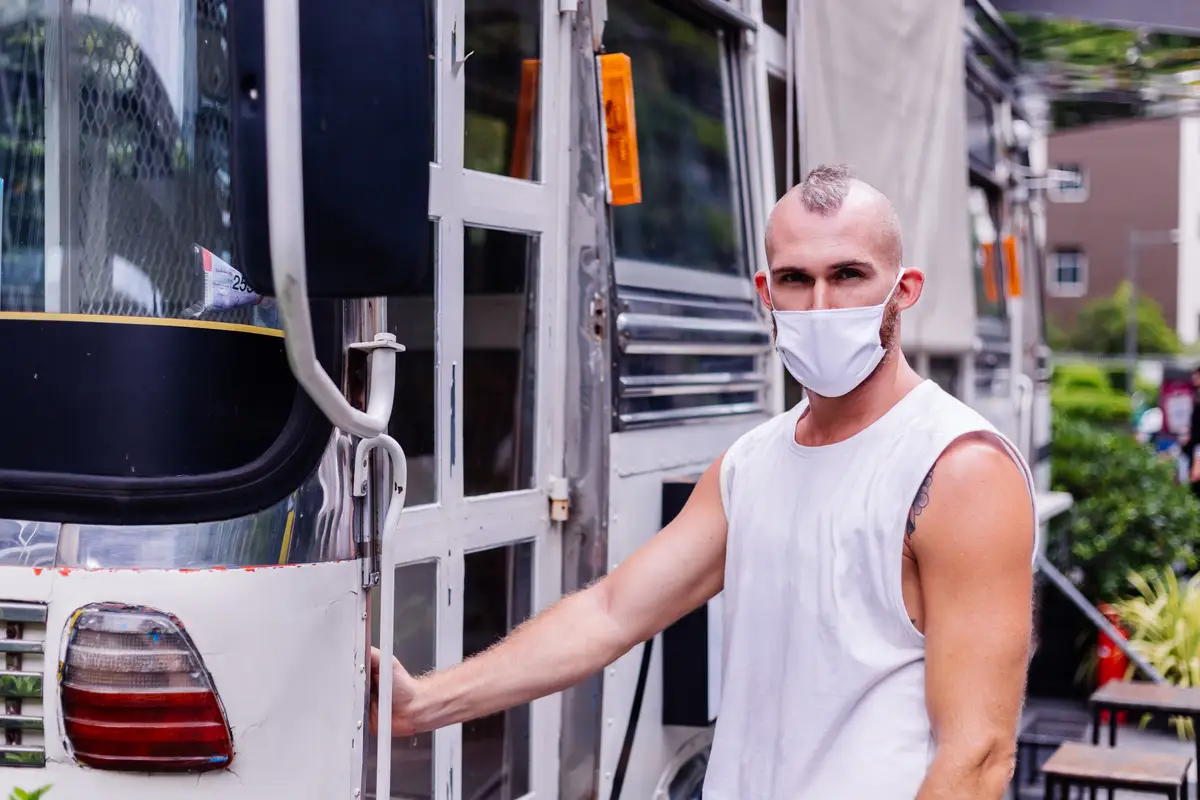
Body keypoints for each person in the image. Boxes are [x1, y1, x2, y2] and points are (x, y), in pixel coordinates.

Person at [370, 164, 1037, 799]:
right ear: (764, 293)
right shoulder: (751, 465)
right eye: (796, 280)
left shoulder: (959, 469)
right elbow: (609, 615)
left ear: (905, 289)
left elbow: (977, 757)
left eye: (849, 274)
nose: (822, 304)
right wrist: (423, 703)